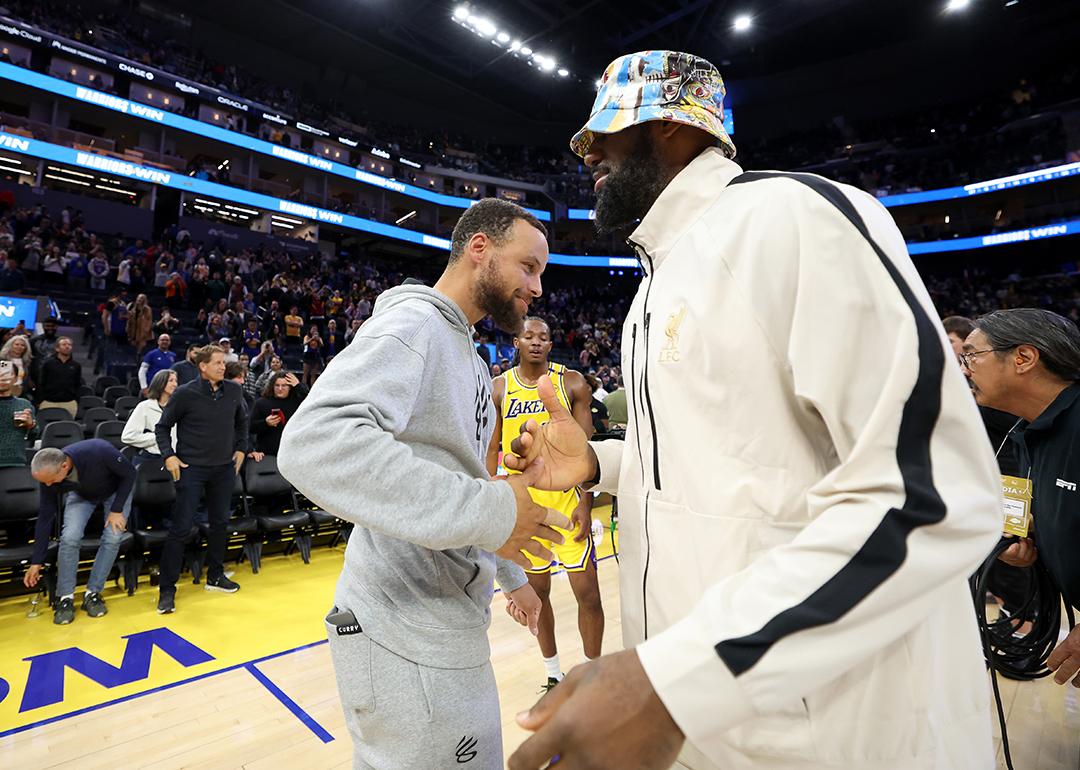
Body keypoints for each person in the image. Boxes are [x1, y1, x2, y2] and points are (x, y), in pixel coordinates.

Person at [504, 51, 1002, 770]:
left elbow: (932, 494)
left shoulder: (791, 218)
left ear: (674, 125)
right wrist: (600, 461)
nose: (588, 154)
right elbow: (738, 468)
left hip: (833, 734)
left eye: (605, 133)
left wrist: (676, 684)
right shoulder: (654, 285)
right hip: (715, 718)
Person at [278, 199, 572, 770]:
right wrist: (495, 514)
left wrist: (511, 573)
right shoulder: (414, 326)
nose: (538, 287)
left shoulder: (463, 347)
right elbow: (315, 442)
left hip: (441, 618)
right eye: (529, 267)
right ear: (479, 249)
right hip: (401, 624)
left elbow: (466, 480)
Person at [962, 308, 1080, 688]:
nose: (965, 369)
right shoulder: (1028, 431)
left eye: (971, 355)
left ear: (1024, 358)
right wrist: (1036, 544)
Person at [488, 317, 604, 692]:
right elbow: (491, 451)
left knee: (588, 595)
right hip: (526, 513)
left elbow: (587, 451)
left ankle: (593, 672)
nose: (536, 342)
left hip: (568, 507)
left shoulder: (570, 382)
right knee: (538, 598)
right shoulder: (499, 389)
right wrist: (493, 504)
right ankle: (553, 674)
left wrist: (586, 503)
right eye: (529, 336)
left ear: (551, 345)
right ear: (516, 342)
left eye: (544, 338)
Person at [154, 345, 248, 614]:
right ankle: (167, 589)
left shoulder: (234, 390)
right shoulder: (185, 394)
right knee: (181, 527)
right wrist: (168, 456)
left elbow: (242, 422)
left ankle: (215, 575)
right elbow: (162, 427)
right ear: (202, 366)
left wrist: (241, 448)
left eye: (224, 362)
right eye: (217, 362)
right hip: (191, 468)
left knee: (220, 523)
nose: (222, 366)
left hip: (223, 469)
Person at [24, 440, 136, 624]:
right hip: (82, 495)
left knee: (113, 537)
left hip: (116, 492)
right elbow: (45, 517)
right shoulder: (49, 479)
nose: (49, 486)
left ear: (64, 466)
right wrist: (37, 561)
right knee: (69, 538)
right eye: (45, 483)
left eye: (51, 480)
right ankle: (65, 597)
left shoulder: (99, 451)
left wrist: (117, 509)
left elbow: (130, 473)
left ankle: (93, 593)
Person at [122, 369, 178, 467]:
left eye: (176, 381)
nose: (175, 384)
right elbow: (128, 436)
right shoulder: (144, 407)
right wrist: (157, 437)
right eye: (171, 381)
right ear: (160, 383)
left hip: (176, 458)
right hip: (152, 459)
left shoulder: (180, 407)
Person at [249, 371, 307, 458]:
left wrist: (298, 385)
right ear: (272, 386)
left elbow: (311, 399)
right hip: (267, 454)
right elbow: (250, 427)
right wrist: (265, 423)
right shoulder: (261, 403)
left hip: (292, 453)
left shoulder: (297, 402)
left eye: (284, 386)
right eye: (277, 385)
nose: (280, 389)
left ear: (290, 387)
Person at [36, 337, 82, 417]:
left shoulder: (76, 366)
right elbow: (41, 382)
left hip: (69, 403)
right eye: (64, 344)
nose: (67, 346)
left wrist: (76, 399)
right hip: (49, 402)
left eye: (69, 345)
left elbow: (77, 384)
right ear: (57, 348)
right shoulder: (48, 364)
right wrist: (41, 400)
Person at [0, 365, 36, 466]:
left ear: (15, 378)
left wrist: (31, 425)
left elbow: (33, 435)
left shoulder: (24, 404)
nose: (3, 378)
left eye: (7, 374)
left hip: (16, 463)